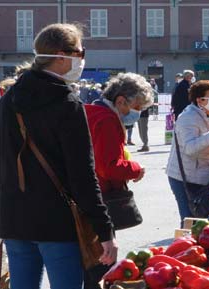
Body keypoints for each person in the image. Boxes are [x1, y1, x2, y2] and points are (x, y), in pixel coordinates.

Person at [0, 23, 117, 289]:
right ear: (62, 56)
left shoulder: (8, 99)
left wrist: (3, 205)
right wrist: (105, 230)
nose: (82, 60)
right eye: (80, 53)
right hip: (55, 220)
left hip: (14, 215)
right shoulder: (66, 103)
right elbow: (82, 174)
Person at [83, 73, 152, 288]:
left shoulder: (90, 111)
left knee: (87, 263)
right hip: (100, 196)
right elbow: (108, 167)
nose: (138, 113)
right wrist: (135, 169)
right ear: (121, 101)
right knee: (102, 262)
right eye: (137, 107)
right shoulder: (107, 120)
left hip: (82, 195)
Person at [166, 80, 209, 226]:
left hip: (199, 175)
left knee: (200, 220)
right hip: (184, 177)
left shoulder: (204, 114)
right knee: (190, 221)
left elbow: (202, 145)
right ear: (200, 100)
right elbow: (190, 148)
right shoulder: (188, 117)